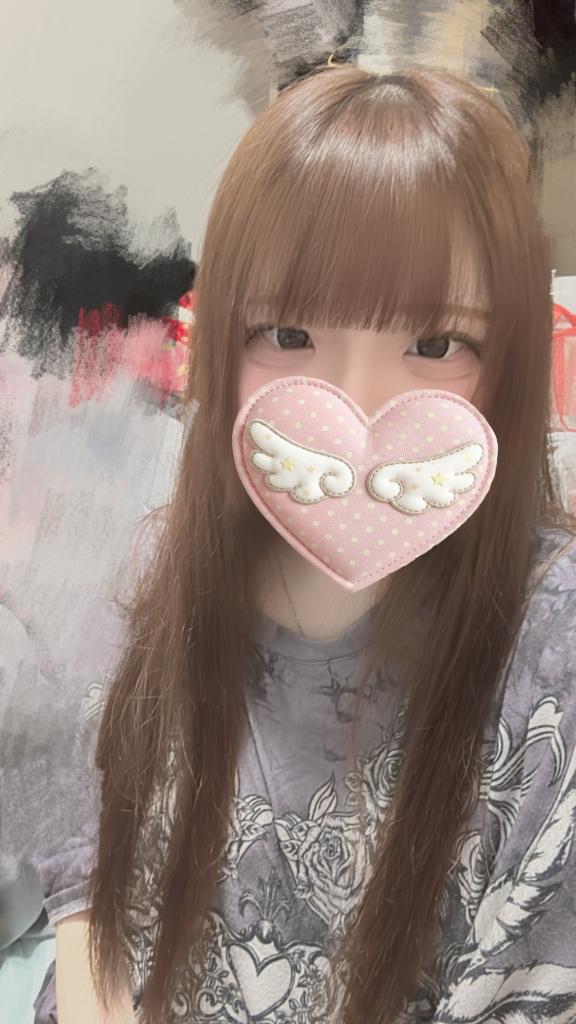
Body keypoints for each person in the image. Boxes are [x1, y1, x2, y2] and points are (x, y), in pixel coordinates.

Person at [51, 62, 576, 1024]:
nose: (357, 409)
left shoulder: (556, 656)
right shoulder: (152, 564)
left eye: (436, 344)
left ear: (509, 357)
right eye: (288, 334)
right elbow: (85, 884)